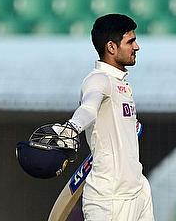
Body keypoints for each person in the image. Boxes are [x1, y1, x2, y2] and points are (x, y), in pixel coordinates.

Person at [65, 13, 154, 221]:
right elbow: (88, 108)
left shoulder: (120, 83)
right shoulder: (98, 80)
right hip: (109, 201)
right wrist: (71, 129)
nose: (137, 47)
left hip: (137, 191)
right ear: (111, 47)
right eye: (130, 41)